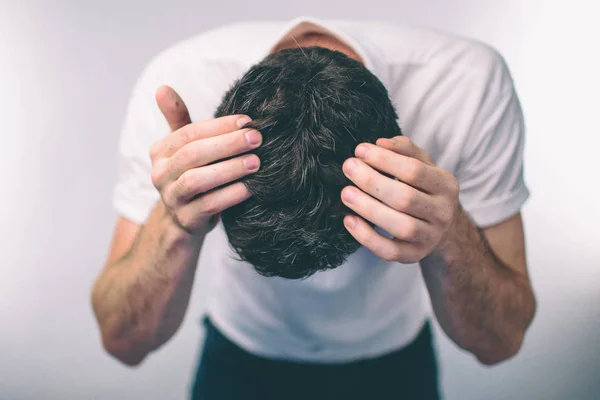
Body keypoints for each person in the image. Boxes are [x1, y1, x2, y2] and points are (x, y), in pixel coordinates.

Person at [91, 16, 536, 400]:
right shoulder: (178, 85)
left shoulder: (467, 86)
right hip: (241, 357)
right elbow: (123, 340)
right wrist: (174, 220)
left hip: (394, 362)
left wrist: (450, 231)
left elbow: (500, 342)